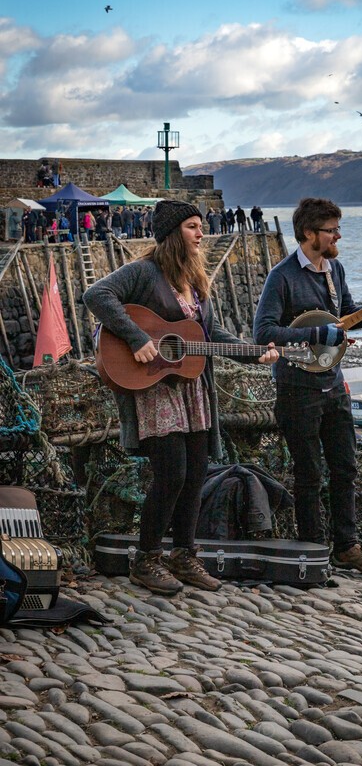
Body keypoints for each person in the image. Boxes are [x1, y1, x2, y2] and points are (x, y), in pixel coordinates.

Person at [84, 200, 279, 595]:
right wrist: (137, 338)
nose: (201, 233)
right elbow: (96, 295)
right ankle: (147, 559)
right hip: (156, 389)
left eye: (200, 226)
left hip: (194, 390)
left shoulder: (194, 281)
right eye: (192, 226)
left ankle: (185, 556)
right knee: (171, 474)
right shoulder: (143, 271)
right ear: (173, 233)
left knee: (194, 475)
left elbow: (207, 337)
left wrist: (254, 351)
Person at [253, 197, 362, 575]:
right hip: (297, 388)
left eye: (338, 228)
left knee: (345, 467)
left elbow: (348, 320)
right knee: (309, 474)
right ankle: (312, 551)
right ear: (309, 233)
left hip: (334, 384)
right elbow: (264, 333)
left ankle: (347, 547)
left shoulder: (334, 269)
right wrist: (315, 333)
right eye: (331, 229)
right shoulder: (282, 276)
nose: (338, 235)